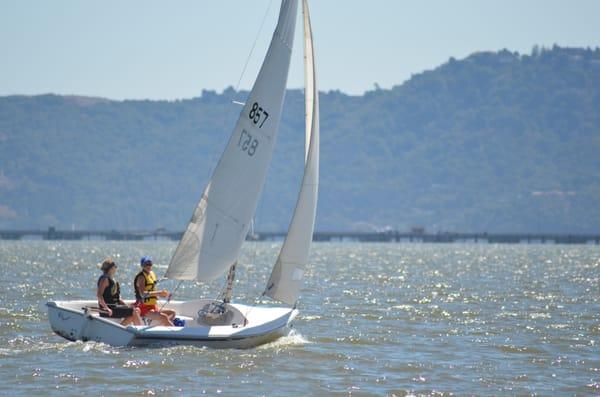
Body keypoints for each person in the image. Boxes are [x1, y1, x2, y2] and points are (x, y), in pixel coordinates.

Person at [97, 258, 143, 326]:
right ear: (111, 268)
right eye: (115, 266)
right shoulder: (105, 279)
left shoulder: (112, 280)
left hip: (114, 307)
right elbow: (99, 295)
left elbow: (117, 298)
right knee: (133, 312)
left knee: (136, 310)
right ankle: (141, 332)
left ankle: (120, 330)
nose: (116, 268)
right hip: (108, 309)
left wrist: (127, 306)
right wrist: (107, 308)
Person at [134, 256, 176, 326]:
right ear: (142, 265)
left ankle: (165, 331)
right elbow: (142, 294)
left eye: (150, 264)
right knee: (164, 317)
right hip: (144, 308)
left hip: (152, 306)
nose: (148, 266)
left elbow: (153, 291)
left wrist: (165, 294)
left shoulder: (151, 274)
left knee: (172, 313)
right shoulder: (141, 277)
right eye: (146, 264)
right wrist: (159, 293)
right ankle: (175, 334)